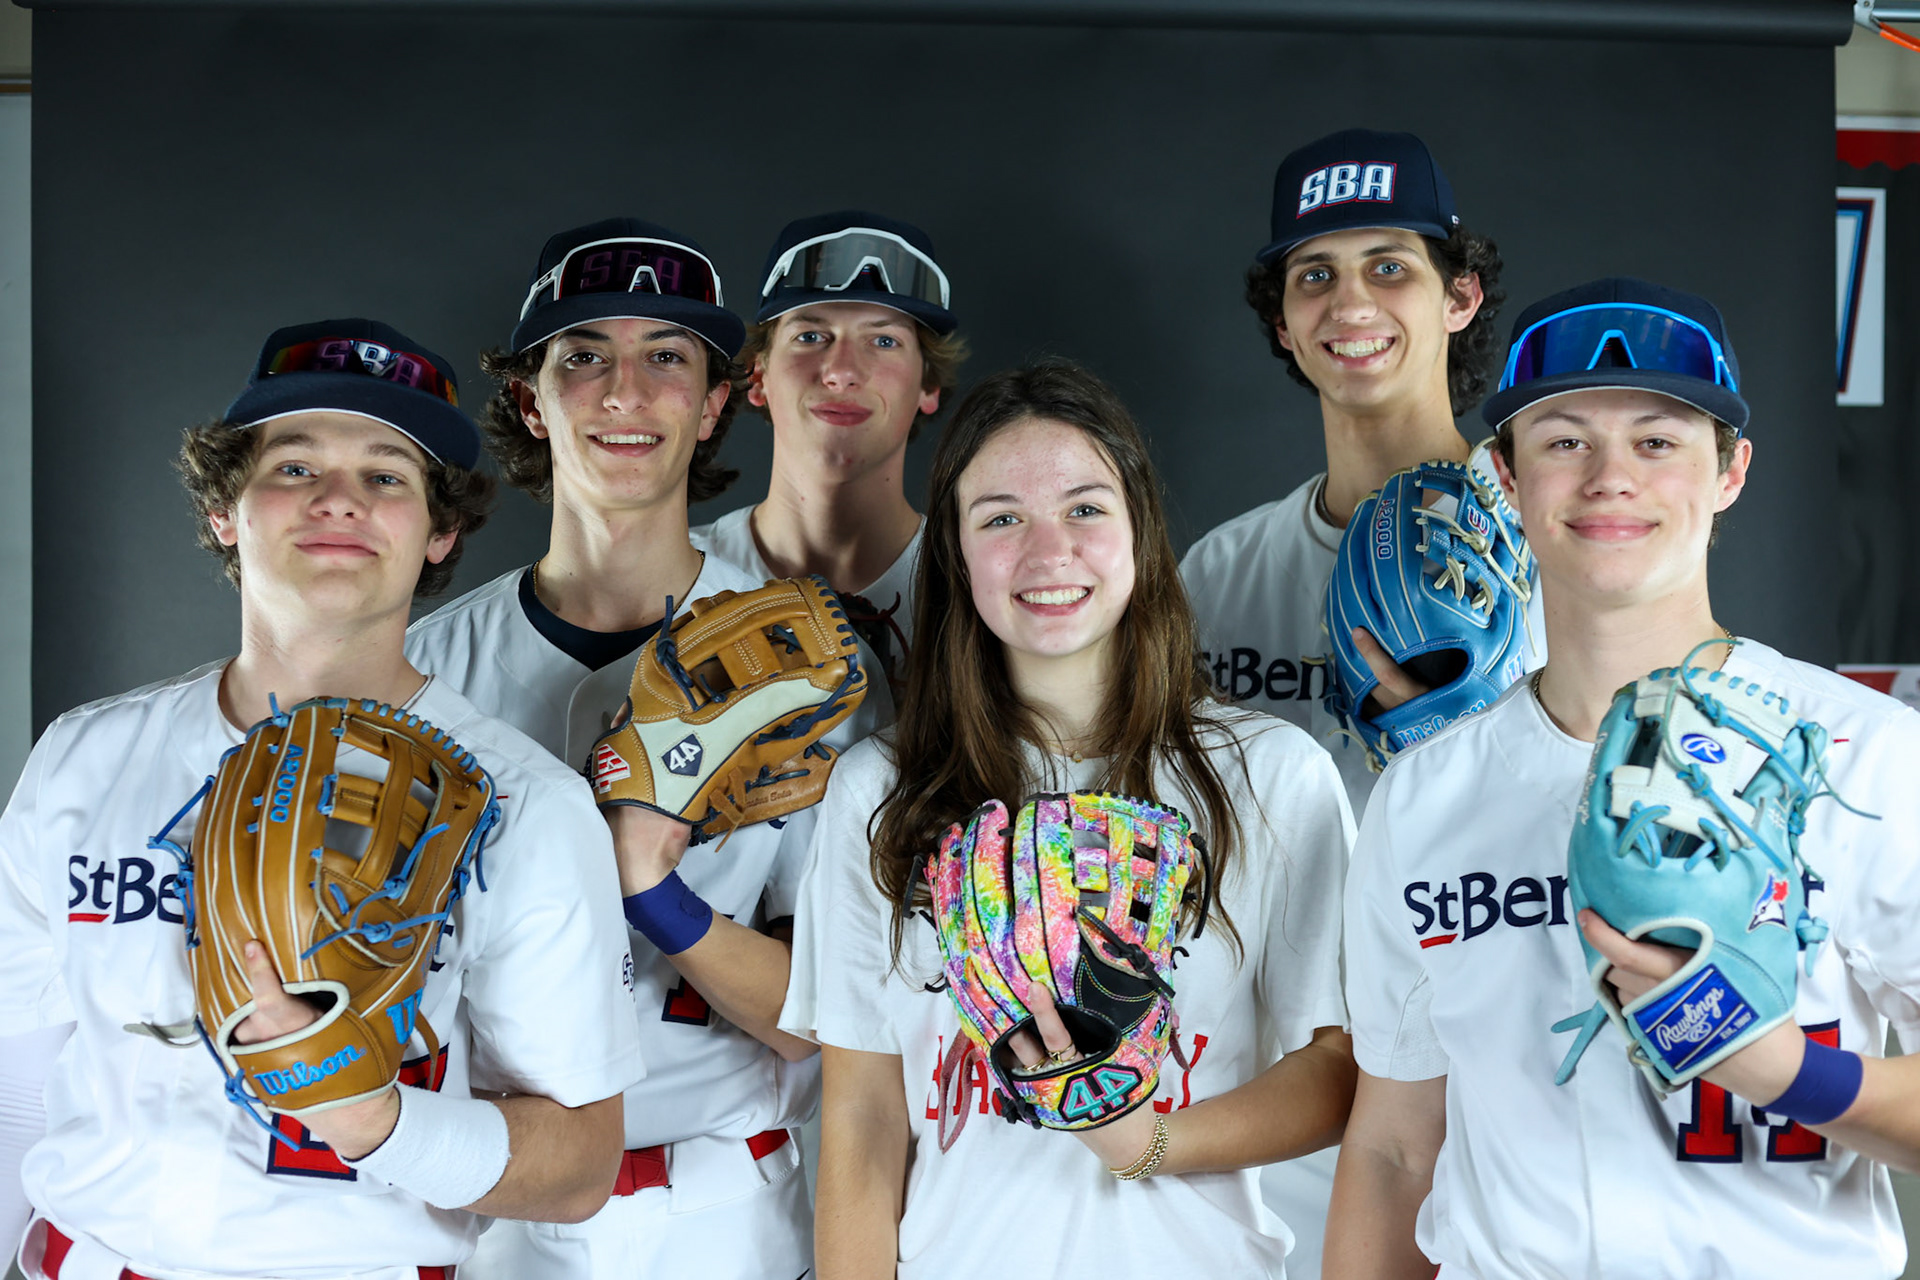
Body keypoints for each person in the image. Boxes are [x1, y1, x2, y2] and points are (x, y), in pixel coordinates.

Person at [0, 319, 644, 1279]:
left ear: (440, 532)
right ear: (228, 512)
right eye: (294, 467)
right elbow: (18, 1072)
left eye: (388, 475)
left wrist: (376, 1120)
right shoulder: (84, 757)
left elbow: (582, 1162)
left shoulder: (524, 803)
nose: (339, 499)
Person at [1329, 278, 1920, 1278]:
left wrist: (1787, 1071)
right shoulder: (1426, 794)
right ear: (1508, 483)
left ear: (1730, 470)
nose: (1610, 477)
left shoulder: (1869, 754)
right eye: (1563, 440)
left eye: (1658, 439)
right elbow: (1393, 1145)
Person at [780, 360, 1358, 1279]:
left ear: (1139, 531)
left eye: (1085, 508)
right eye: (1002, 518)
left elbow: (1341, 1070)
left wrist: (1150, 1143)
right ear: (958, 553)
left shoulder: (1273, 776)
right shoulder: (878, 789)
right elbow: (861, 1114)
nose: (1050, 553)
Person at [406, 217, 880, 1280]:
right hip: (489, 1213)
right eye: (583, 357)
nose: (624, 392)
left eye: (667, 356)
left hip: (725, 1217)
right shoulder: (422, 672)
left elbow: (826, 1018)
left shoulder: (801, 665)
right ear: (532, 399)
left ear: (716, 402)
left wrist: (651, 889)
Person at [1178, 126, 1511, 1280]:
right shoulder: (1216, 574)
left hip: (1477, 1096)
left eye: (1390, 265)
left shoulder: (1547, 553)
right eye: (1313, 274)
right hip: (1274, 1093)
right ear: (1282, 322)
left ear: (1460, 295)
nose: (1349, 301)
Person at [694, 210, 967, 700]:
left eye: (884, 341)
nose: (841, 372)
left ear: (929, 384)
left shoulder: (978, 588)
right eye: (810, 336)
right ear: (758, 377)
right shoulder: (678, 577)